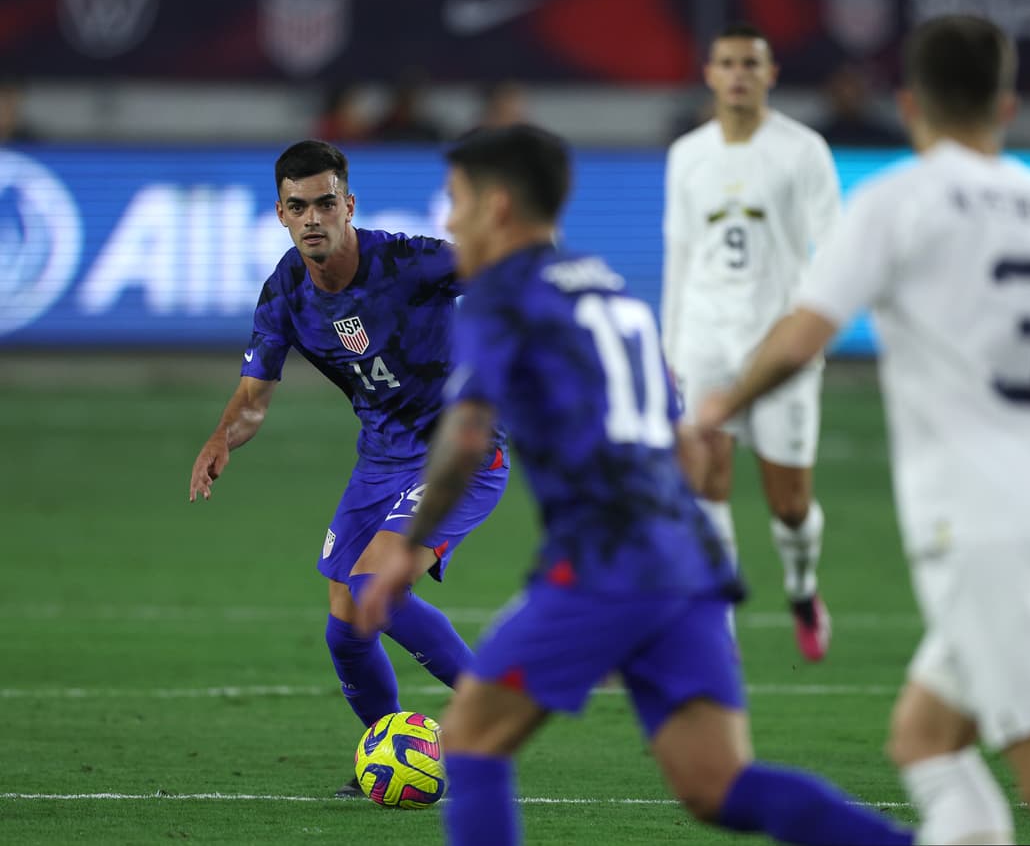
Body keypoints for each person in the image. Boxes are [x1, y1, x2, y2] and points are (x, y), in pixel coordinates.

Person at [698, 15, 1030, 846]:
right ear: (1007, 106)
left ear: (908, 105)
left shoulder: (898, 201)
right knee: (926, 740)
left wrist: (717, 408)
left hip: (981, 527)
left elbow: (802, 335)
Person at [353, 124, 913, 846]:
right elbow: (682, 441)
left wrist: (408, 548)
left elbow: (465, 434)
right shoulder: (610, 287)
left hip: (606, 559)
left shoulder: (504, 297)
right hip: (687, 557)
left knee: (471, 739)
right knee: (717, 784)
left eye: (456, 200)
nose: (447, 219)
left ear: (496, 207)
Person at [188, 139, 507, 797]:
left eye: (325, 203)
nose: (313, 218)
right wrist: (222, 437)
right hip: (383, 456)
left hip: (459, 451)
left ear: (348, 204)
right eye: (298, 206)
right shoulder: (285, 291)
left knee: (373, 590)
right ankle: (394, 755)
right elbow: (254, 398)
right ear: (280, 213)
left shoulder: (408, 261)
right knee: (345, 623)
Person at [662, 23, 842, 661]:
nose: (738, 73)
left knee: (789, 505)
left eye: (751, 63)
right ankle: (721, 632)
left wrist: (810, 328)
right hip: (707, 336)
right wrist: (672, 348)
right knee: (706, 480)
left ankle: (801, 586)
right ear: (710, 75)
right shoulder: (687, 155)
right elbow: (680, 254)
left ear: (771, 75)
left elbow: (834, 250)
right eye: (727, 63)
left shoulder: (802, 151)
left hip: (779, 344)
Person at [815, 64, 904, 148]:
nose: (848, 96)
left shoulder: (885, 138)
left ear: (863, 93)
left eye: (853, 89)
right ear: (832, 93)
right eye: (842, 89)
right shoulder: (820, 140)